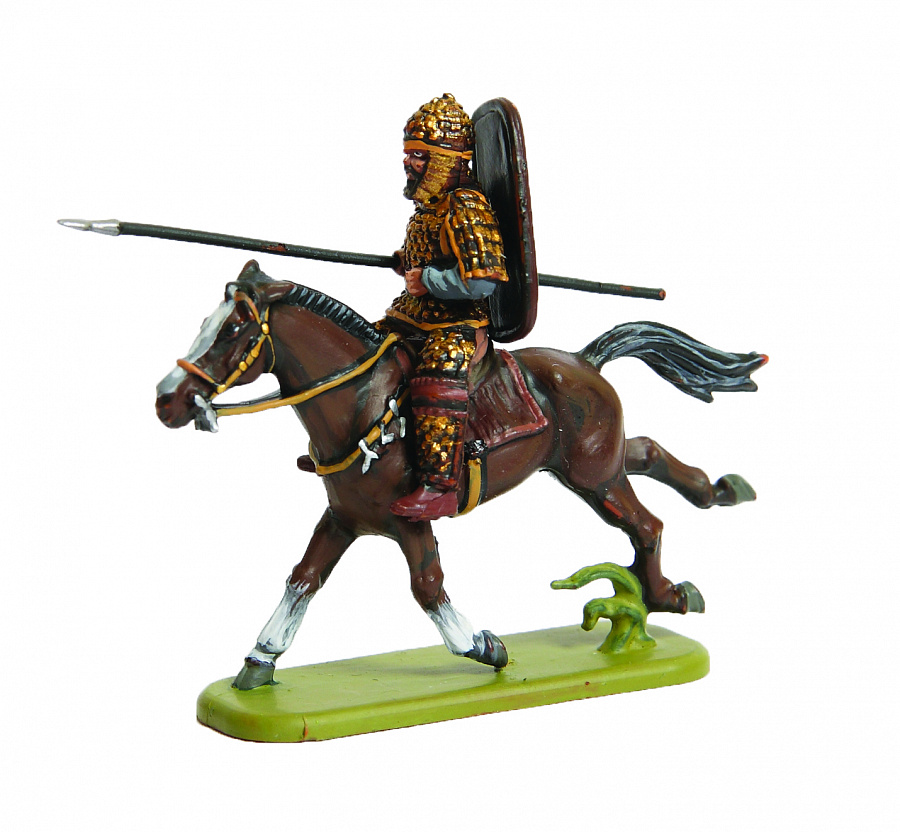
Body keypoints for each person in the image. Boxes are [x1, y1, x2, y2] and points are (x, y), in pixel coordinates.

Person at [381, 94, 508, 521]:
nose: (408, 162)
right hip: (412, 317)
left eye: (419, 155)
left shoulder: (466, 206)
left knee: (437, 379)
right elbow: (432, 253)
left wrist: (429, 280)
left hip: (457, 324)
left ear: (445, 160)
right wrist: (406, 262)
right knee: (364, 355)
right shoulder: (429, 208)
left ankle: (439, 486)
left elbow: (483, 279)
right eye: (408, 153)